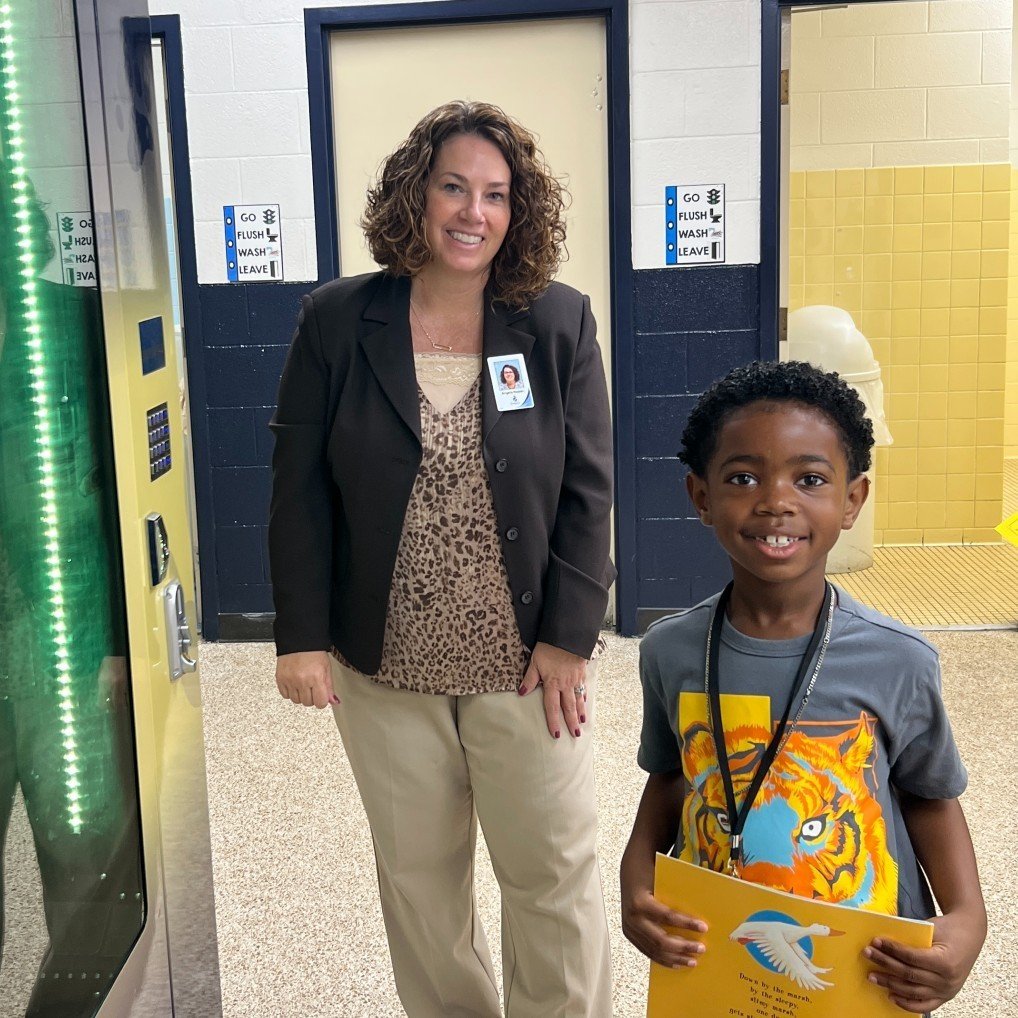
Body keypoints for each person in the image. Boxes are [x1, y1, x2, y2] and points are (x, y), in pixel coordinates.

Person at [268, 100, 615, 1018]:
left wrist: (571, 639)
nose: (474, 212)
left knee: (553, 873)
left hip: (527, 663)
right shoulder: (339, 321)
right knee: (421, 890)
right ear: (416, 195)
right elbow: (297, 487)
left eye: (496, 195)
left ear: (518, 211)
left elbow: (589, 490)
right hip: (386, 666)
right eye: (454, 187)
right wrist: (299, 638)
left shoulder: (557, 323)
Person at [620, 361, 986, 1015]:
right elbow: (673, 776)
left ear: (853, 500)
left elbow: (930, 798)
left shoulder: (898, 659)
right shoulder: (670, 650)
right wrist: (635, 875)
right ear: (700, 496)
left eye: (810, 478)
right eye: (742, 477)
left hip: (863, 970)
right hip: (719, 962)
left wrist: (966, 919)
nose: (775, 500)